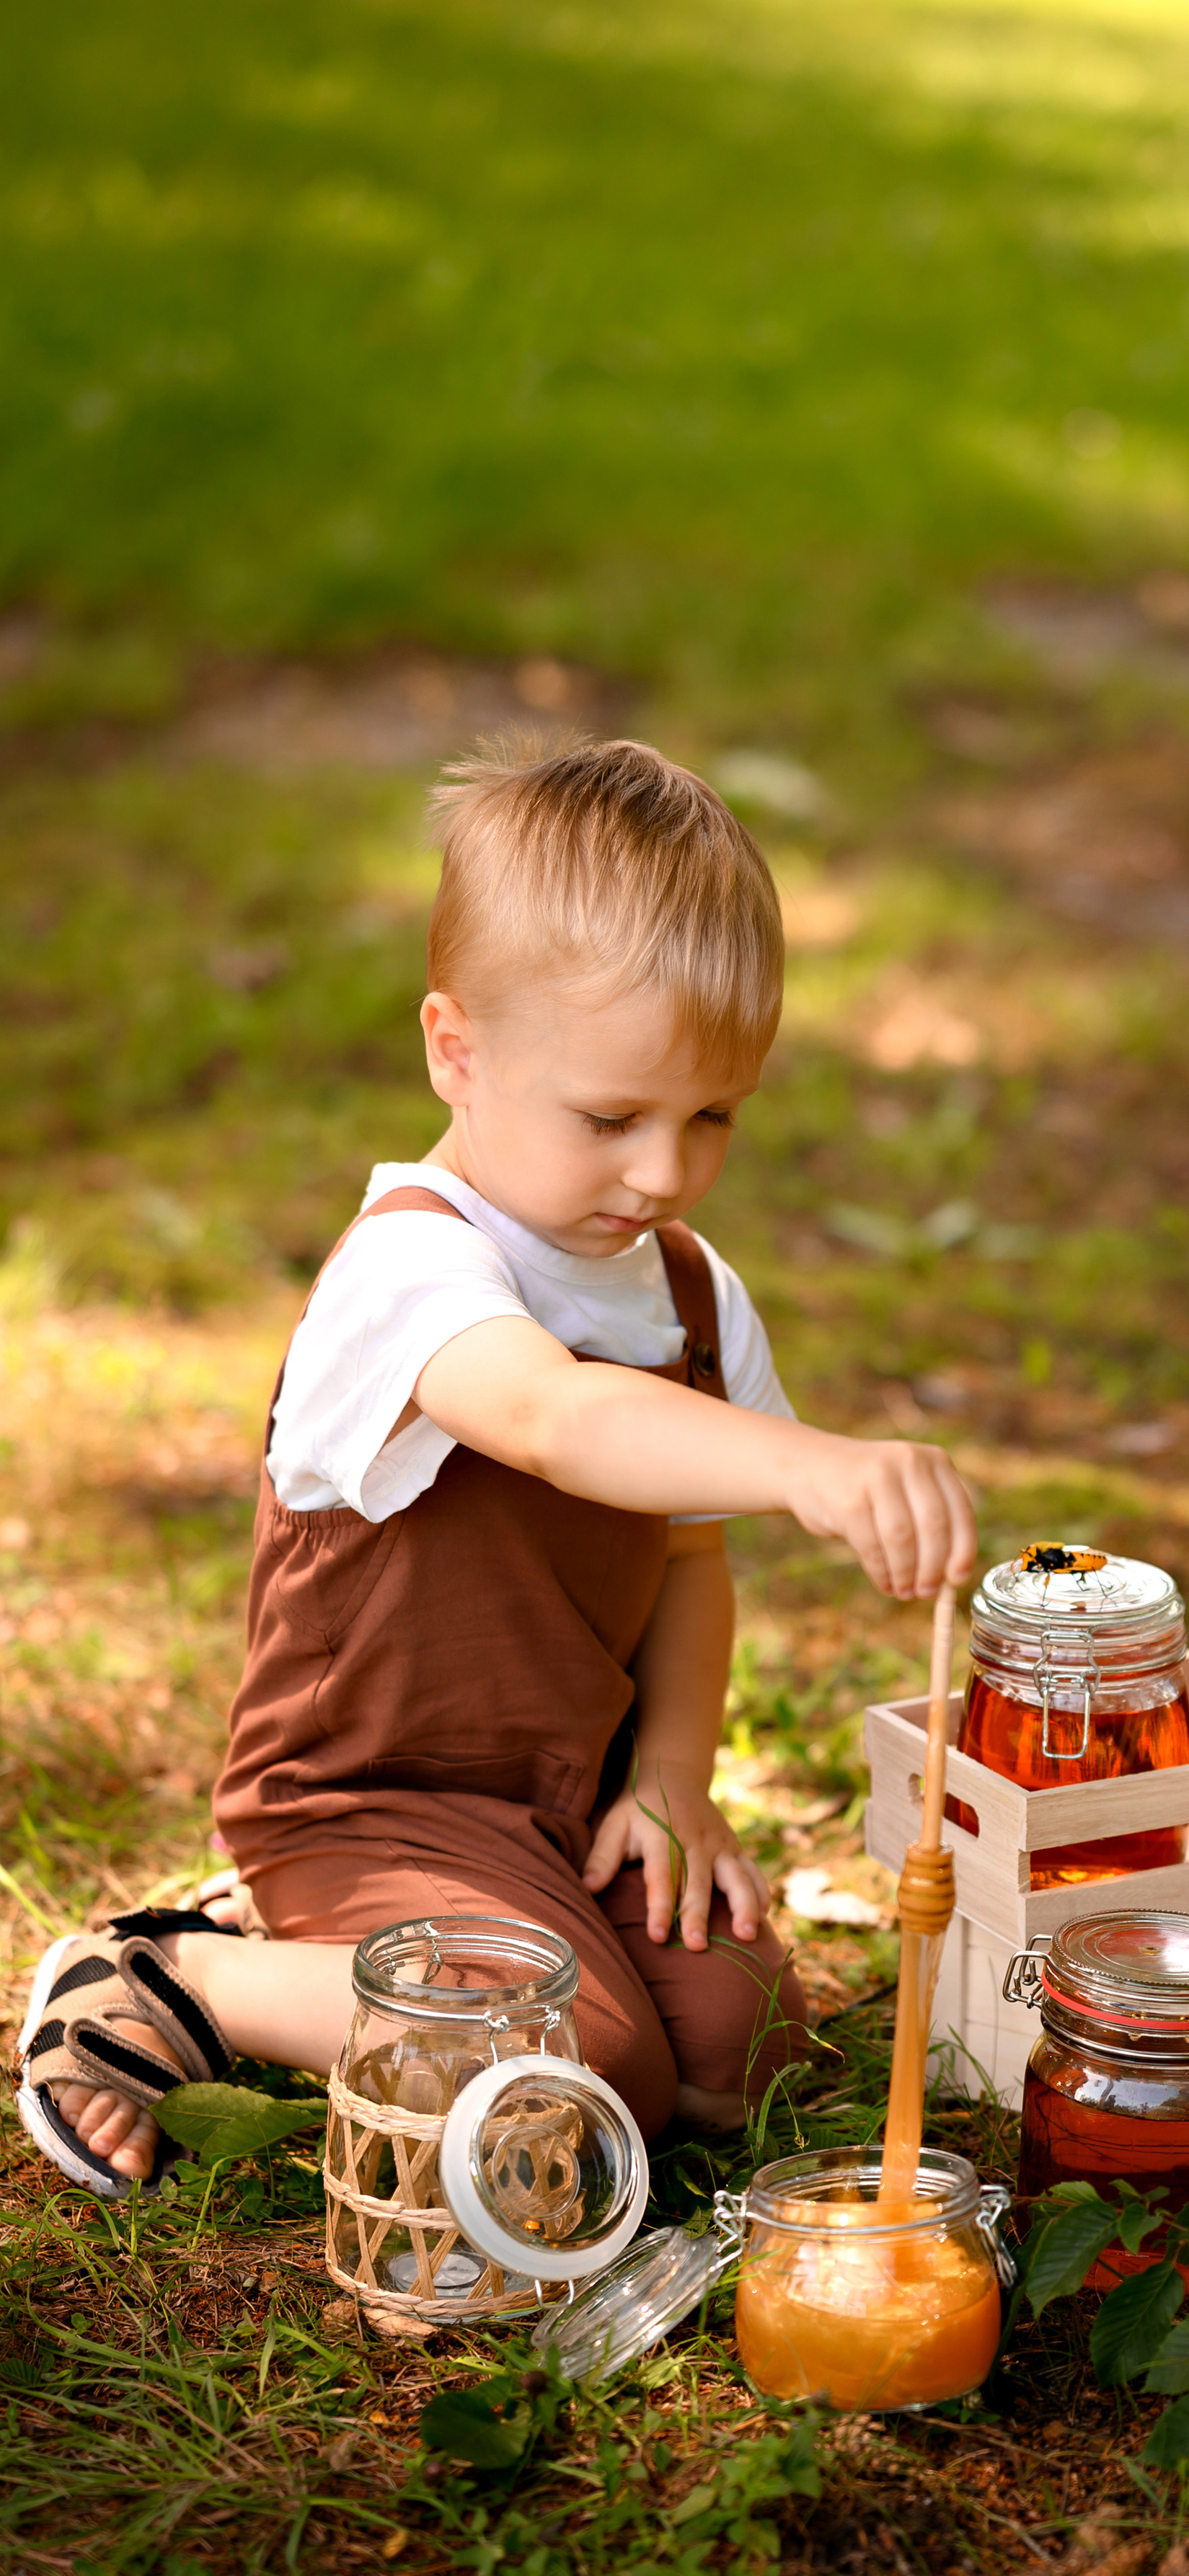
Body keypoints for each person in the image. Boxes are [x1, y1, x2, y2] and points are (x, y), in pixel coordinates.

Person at [17, 739, 976, 2195]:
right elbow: (552, 1417)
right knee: (581, 2064)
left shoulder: (688, 1294)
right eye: (611, 1119)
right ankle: (179, 1980)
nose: (663, 1172)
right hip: (374, 1791)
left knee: (737, 2050)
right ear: (454, 1051)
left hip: (558, 1799)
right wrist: (814, 1465)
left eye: (711, 1116)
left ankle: (379, 1962)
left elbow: (686, 1557)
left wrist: (667, 1776)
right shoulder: (413, 1267)